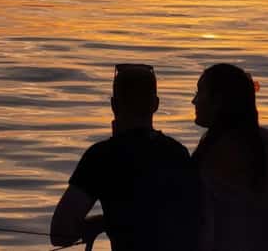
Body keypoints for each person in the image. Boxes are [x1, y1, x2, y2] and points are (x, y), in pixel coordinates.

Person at [51, 63, 199, 251]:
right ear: (156, 104)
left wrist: (104, 222)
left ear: (113, 105)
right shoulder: (177, 153)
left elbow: (60, 232)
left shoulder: (101, 157)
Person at [192, 64, 268, 251]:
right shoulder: (267, 141)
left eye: (200, 93)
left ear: (218, 101)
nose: (194, 101)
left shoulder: (218, 150)